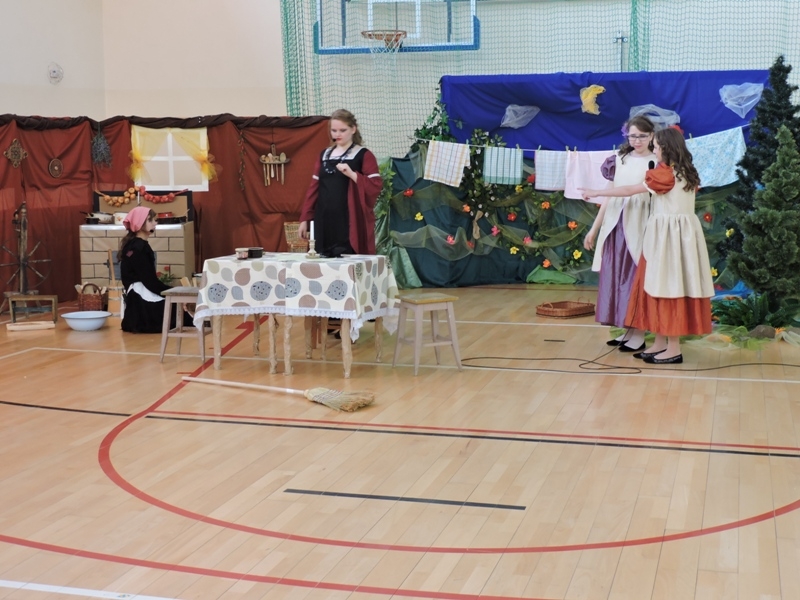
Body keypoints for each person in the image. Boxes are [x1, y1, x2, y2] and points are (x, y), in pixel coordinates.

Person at [581, 127, 714, 364]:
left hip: (668, 239)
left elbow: (630, 190)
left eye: (658, 147)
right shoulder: (685, 171)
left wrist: (596, 191)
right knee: (656, 286)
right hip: (678, 236)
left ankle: (673, 349)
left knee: (667, 288)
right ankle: (660, 343)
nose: (655, 150)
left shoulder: (664, 174)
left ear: (667, 148)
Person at [584, 115, 656, 352]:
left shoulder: (656, 162)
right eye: (633, 136)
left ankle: (639, 333)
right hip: (616, 227)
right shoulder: (618, 159)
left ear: (651, 136)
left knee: (634, 279)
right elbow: (609, 196)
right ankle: (627, 329)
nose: (637, 141)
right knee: (616, 278)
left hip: (639, 224)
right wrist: (594, 229)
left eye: (642, 136)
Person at [298, 109, 383, 257]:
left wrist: (352, 174)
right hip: (323, 221)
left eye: (342, 130)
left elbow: (375, 185)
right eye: (334, 130)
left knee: (348, 262)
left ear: (353, 129)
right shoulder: (324, 155)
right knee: (321, 262)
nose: (338, 134)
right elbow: (313, 189)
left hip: (349, 223)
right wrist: (305, 219)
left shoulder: (364, 155)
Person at [119, 206, 189, 333]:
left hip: (138, 296)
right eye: (150, 220)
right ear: (140, 224)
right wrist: (174, 292)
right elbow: (150, 282)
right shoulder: (138, 248)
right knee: (180, 314)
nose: (155, 223)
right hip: (140, 298)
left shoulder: (134, 245)